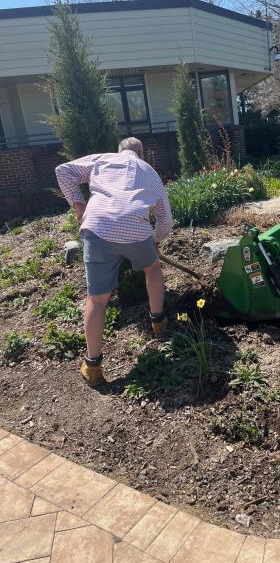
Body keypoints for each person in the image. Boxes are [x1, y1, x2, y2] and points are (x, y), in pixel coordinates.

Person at [55, 137, 173, 387]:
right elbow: (165, 220)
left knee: (97, 300)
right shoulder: (151, 173)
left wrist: (79, 205)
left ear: (120, 151)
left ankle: (93, 366)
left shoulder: (103, 159)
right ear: (140, 154)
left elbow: (63, 171)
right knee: (152, 269)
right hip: (136, 230)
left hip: (97, 227)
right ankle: (158, 322)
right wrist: (154, 240)